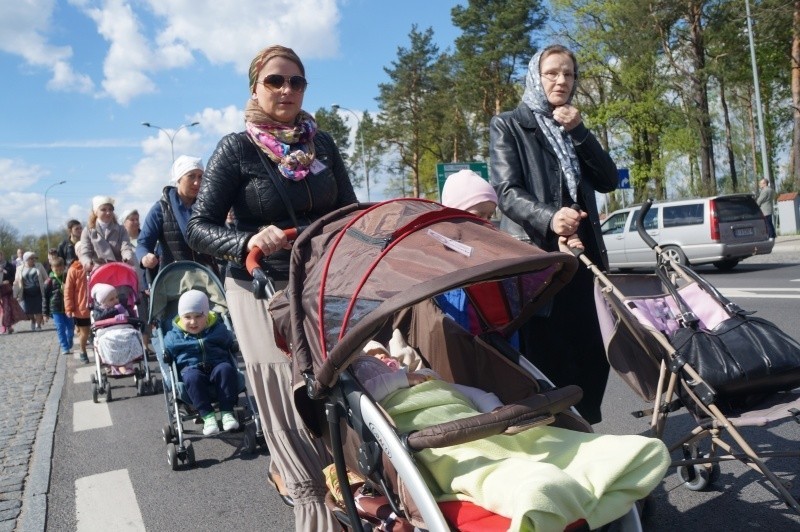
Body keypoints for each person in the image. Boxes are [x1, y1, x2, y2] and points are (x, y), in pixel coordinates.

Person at [187, 44, 357, 530]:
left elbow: (348, 207)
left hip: (319, 277)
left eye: (296, 82)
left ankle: (349, 479)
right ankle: (309, 496)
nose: (286, 90)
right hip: (257, 281)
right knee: (285, 387)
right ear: (254, 89)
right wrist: (245, 238)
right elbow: (201, 226)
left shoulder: (321, 144)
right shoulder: (235, 148)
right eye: (275, 81)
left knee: (338, 379)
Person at [350, 339, 670, 532]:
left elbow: (482, 396)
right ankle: (545, 495)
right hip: (446, 448)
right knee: (518, 479)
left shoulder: (437, 382)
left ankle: (588, 479)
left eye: (386, 357)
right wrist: (401, 376)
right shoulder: (379, 397)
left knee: (565, 445)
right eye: (379, 362)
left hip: (491, 429)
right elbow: (372, 384)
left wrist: (498, 415)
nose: (387, 362)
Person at [489, 44, 617, 424]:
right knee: (548, 355)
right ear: (535, 76)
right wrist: (549, 217)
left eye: (569, 74)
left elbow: (608, 180)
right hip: (539, 261)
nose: (561, 80)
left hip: (585, 257)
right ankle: (561, 435)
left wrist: (579, 131)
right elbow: (507, 191)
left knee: (593, 351)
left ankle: (584, 428)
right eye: (552, 73)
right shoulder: (509, 124)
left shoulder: (571, 127)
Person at [163, 289, 240, 436]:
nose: (193, 322)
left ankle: (227, 413)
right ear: (180, 317)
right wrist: (166, 354)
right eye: (188, 317)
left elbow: (228, 340)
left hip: (217, 364)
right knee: (192, 378)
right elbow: (167, 348)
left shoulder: (218, 329)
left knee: (226, 369)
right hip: (191, 368)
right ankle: (208, 417)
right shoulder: (174, 336)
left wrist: (232, 344)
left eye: (198, 316)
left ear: (207, 314)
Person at [137, 155, 219, 277]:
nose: (197, 182)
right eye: (191, 176)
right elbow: (143, 243)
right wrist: (145, 257)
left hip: (207, 279)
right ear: (178, 178)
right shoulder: (161, 209)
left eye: (200, 177)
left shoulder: (207, 207)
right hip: (174, 281)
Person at [79, 196, 135, 274]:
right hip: (98, 272)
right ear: (95, 212)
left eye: (110, 209)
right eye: (103, 210)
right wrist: (87, 263)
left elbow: (126, 248)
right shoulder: (87, 231)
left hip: (118, 270)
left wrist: (127, 258)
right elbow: (85, 253)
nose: (108, 212)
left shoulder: (121, 229)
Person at [65, 241, 91, 362]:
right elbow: (68, 290)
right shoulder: (74, 269)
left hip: (97, 305)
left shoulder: (95, 265)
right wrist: (69, 308)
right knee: (85, 333)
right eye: (81, 250)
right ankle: (82, 349)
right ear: (77, 253)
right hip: (82, 307)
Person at [44, 257, 74, 355]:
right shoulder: (49, 281)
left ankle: (69, 339)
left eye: (60, 269)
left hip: (67, 307)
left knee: (70, 327)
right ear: (52, 268)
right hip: (55, 308)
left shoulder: (67, 277)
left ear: (64, 267)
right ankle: (65, 347)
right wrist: (45, 313)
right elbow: (45, 298)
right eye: (56, 270)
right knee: (60, 327)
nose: (58, 272)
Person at [13, 252, 48, 331]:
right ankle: (33, 320)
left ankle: (38, 325)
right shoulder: (19, 268)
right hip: (26, 293)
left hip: (38, 291)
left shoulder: (39, 266)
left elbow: (46, 277)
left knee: (39, 309)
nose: (33, 260)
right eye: (31, 258)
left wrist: (47, 284)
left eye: (34, 258)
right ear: (26, 259)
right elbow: (17, 281)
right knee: (28, 311)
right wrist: (15, 294)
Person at [1, 250, 25, 334]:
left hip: (6, 290)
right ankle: (5, 326)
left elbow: (14, 277)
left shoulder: (9, 266)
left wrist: (8, 281)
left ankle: (7, 326)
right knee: (3, 310)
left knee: (7, 308)